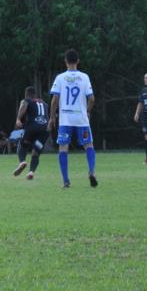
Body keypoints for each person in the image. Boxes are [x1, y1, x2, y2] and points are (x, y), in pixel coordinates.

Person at [48, 49, 98, 188]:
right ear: (78, 61)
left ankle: (65, 180)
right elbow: (92, 98)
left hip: (66, 120)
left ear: (65, 61)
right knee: (89, 144)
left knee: (63, 147)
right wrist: (87, 111)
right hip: (81, 118)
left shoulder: (60, 78)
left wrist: (52, 117)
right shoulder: (84, 77)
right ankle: (92, 171)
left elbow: (55, 99)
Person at [13, 86, 50, 180]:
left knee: (23, 145)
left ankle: (22, 162)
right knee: (35, 152)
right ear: (35, 94)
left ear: (27, 94)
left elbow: (23, 105)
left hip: (32, 128)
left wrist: (18, 119)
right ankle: (31, 172)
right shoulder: (44, 103)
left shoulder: (27, 100)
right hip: (44, 131)